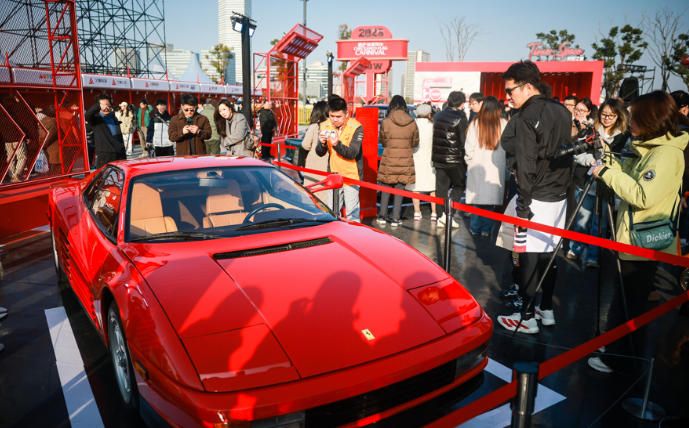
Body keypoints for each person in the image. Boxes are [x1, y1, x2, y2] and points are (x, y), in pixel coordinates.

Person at [590, 90, 688, 373]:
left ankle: (620, 360)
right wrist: (610, 161)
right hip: (636, 238)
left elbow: (642, 195)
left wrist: (607, 173)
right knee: (627, 300)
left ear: (650, 119)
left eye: (634, 117)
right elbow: (634, 178)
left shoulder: (665, 155)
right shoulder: (655, 148)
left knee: (630, 303)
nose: (629, 122)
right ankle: (619, 353)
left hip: (643, 242)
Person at [495, 60, 572, 334]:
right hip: (559, 197)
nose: (508, 96)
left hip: (534, 196)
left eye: (510, 90)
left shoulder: (528, 114)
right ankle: (546, 309)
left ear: (527, 87)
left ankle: (526, 316)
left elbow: (526, 164)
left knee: (526, 256)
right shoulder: (562, 111)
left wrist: (523, 205)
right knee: (549, 255)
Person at [567, 98, 630, 267]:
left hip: (608, 186)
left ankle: (592, 256)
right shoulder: (591, 130)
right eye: (604, 114)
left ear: (618, 116)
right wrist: (591, 161)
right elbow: (577, 153)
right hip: (587, 183)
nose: (607, 118)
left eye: (611, 115)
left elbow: (626, 162)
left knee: (599, 225)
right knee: (581, 221)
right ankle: (575, 249)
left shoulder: (624, 136)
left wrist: (608, 163)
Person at [316, 94, 363, 221]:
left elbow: (352, 153)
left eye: (338, 117)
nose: (334, 120)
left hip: (351, 175)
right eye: (332, 116)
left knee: (352, 215)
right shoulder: (324, 125)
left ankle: (353, 234)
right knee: (332, 213)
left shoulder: (356, 127)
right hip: (334, 174)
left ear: (346, 114)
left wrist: (336, 144)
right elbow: (319, 152)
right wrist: (322, 143)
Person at [464, 96, 507, 237]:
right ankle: (486, 229)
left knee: (477, 201)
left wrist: (469, 161)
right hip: (496, 168)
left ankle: (475, 228)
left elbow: (469, 147)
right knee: (490, 203)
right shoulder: (503, 123)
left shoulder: (475, 123)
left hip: (477, 167)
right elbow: (508, 146)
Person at [376, 95, 419, 227]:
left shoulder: (386, 121)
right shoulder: (412, 122)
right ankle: (395, 218)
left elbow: (382, 140)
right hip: (405, 159)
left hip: (389, 158)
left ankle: (382, 216)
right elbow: (415, 142)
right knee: (400, 189)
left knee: (386, 187)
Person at [432, 91, 469, 228]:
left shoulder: (438, 115)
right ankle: (449, 214)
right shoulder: (461, 117)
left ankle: (441, 216)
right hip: (455, 159)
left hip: (439, 158)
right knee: (459, 186)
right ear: (461, 103)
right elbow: (464, 140)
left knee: (441, 189)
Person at [406, 103, 437, 221]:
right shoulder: (433, 125)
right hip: (430, 159)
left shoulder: (412, 124)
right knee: (433, 187)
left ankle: (417, 212)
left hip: (415, 158)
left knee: (416, 187)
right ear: (429, 114)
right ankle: (434, 213)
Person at [301, 101, 331, 206]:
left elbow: (305, 145)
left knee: (312, 192)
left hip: (313, 163)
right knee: (324, 194)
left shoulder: (314, 126)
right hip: (327, 164)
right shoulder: (331, 126)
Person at [85, 94, 126, 168]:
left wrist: (123, 152)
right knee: (102, 175)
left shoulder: (113, 117)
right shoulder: (96, 119)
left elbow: (119, 137)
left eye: (108, 105)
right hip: (104, 155)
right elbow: (87, 115)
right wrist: (99, 106)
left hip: (119, 153)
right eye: (103, 105)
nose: (106, 107)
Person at [36, 106, 59, 174]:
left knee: (54, 171)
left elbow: (47, 137)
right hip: (53, 153)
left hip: (53, 152)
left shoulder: (47, 124)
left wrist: (42, 145)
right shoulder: (51, 122)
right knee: (55, 171)